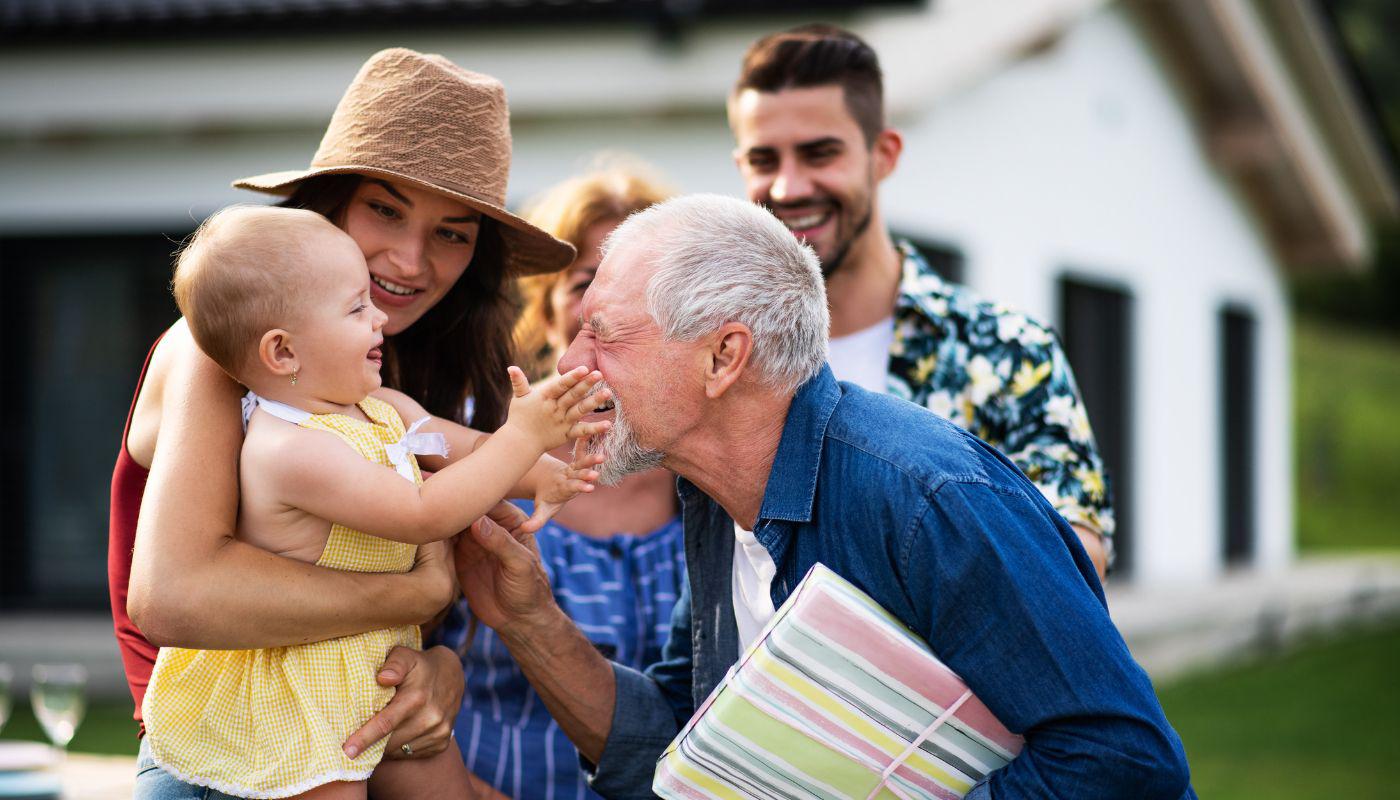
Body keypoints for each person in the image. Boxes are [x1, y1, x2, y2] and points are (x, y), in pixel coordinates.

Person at [455, 194, 1196, 798]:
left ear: (723, 357)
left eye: (604, 336)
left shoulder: (924, 501)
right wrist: (528, 621)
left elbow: (1124, 762)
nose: (571, 364)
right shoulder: (714, 496)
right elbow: (683, 741)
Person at [110, 49, 575, 798]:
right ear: (327, 205)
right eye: (384, 210)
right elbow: (174, 597)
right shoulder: (221, 354)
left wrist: (440, 668)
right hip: (226, 761)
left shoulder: (396, 371)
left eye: (452, 234)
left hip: (351, 732)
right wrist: (413, 598)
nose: (408, 260)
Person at [727, 25, 1113, 577]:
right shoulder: (721, 359)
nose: (788, 188)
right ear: (742, 167)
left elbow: (1075, 561)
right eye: (765, 160)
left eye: (819, 153)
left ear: (883, 155)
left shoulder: (1007, 352)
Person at [433, 164, 684, 800]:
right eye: (585, 284)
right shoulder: (468, 450)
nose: (609, 306)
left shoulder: (707, 480)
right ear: (547, 312)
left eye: (643, 286)